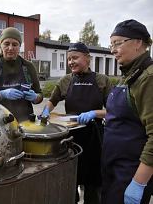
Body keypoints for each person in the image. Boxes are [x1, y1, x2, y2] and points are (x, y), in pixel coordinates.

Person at [41, 42, 112, 204]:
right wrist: (46, 111)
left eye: (75, 58)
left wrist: (95, 113)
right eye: (68, 59)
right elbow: (52, 101)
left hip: (95, 138)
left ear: (87, 59)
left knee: (93, 183)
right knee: (70, 178)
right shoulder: (65, 81)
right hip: (70, 138)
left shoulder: (102, 80)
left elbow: (112, 111)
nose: (71, 62)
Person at [101, 19, 153, 204]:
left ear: (138, 42)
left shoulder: (148, 78)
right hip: (114, 169)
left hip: (129, 174)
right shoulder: (129, 75)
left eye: (117, 43)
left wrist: (138, 183)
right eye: (111, 44)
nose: (112, 50)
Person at [0, 27, 43, 121]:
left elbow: (40, 96)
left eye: (15, 44)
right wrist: (1, 94)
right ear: (1, 45)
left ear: (20, 46)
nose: (10, 48)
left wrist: (35, 97)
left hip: (25, 121)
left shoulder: (28, 67)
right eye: (6, 44)